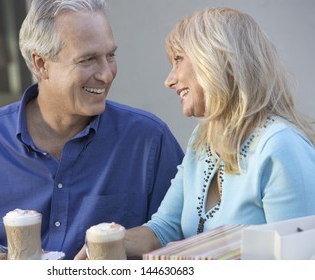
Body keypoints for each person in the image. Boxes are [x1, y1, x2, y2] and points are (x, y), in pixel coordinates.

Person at [0, 0, 184, 260]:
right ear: (40, 64)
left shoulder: (149, 141)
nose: (106, 74)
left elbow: (184, 234)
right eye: (88, 59)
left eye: (110, 56)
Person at [77, 7, 315, 259]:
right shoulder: (202, 141)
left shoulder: (280, 147)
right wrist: (105, 242)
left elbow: (298, 263)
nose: (169, 81)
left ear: (216, 58)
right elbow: (162, 229)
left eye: (178, 59)